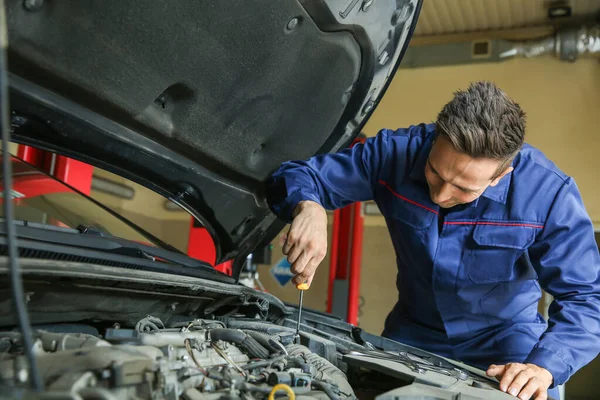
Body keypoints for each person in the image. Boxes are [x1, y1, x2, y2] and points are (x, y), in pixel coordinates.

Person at [265, 81, 600, 400]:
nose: (441, 194)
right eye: (435, 173)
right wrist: (308, 205)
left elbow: (587, 298)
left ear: (501, 176)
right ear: (434, 138)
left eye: (464, 189)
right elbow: (299, 174)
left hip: (507, 342)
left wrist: (544, 367)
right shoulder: (395, 153)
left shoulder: (547, 194)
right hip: (414, 332)